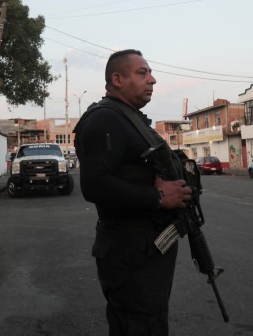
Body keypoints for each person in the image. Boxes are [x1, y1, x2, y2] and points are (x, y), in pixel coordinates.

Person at [74, 49, 192, 335]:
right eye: (142, 73)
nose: (152, 79)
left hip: (145, 251)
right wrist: (159, 198)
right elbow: (94, 184)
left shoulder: (129, 117)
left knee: (148, 322)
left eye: (149, 73)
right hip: (129, 252)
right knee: (139, 326)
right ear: (117, 79)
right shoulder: (105, 119)